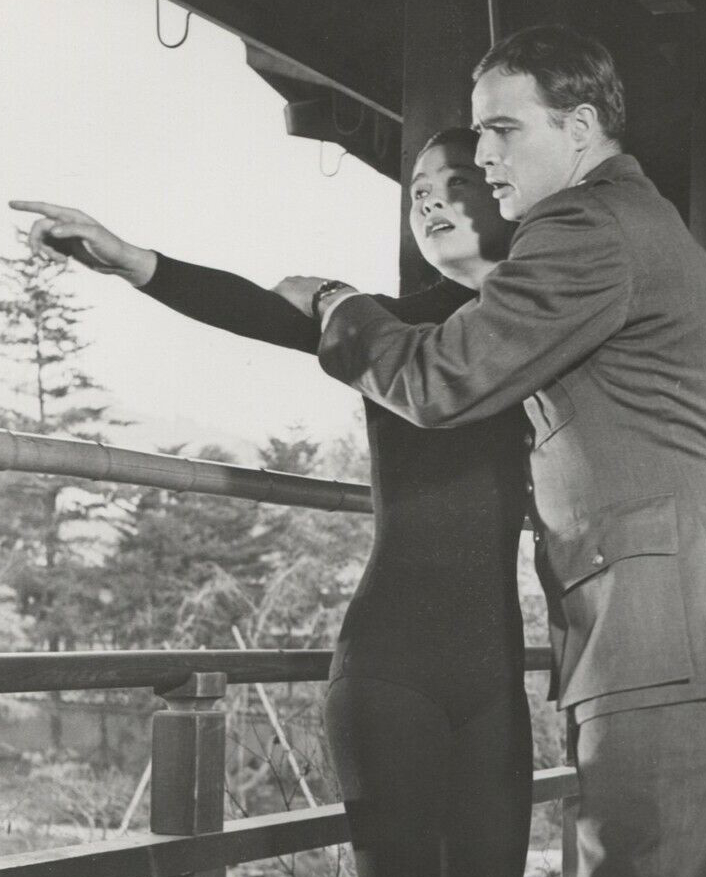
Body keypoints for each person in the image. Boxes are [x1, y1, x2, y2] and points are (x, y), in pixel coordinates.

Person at [271, 25, 706, 877]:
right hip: (702, 620)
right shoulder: (661, 231)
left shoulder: (581, 227)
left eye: (502, 129)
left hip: (651, 623)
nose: (482, 155)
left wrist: (339, 304)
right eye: (478, 130)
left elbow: (441, 381)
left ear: (581, 129)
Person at [11, 127, 533, 877]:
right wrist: (135, 263)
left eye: (450, 178)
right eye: (415, 188)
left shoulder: (549, 324)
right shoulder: (385, 324)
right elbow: (256, 311)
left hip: (496, 681)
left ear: (504, 184)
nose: (425, 196)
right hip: (391, 672)